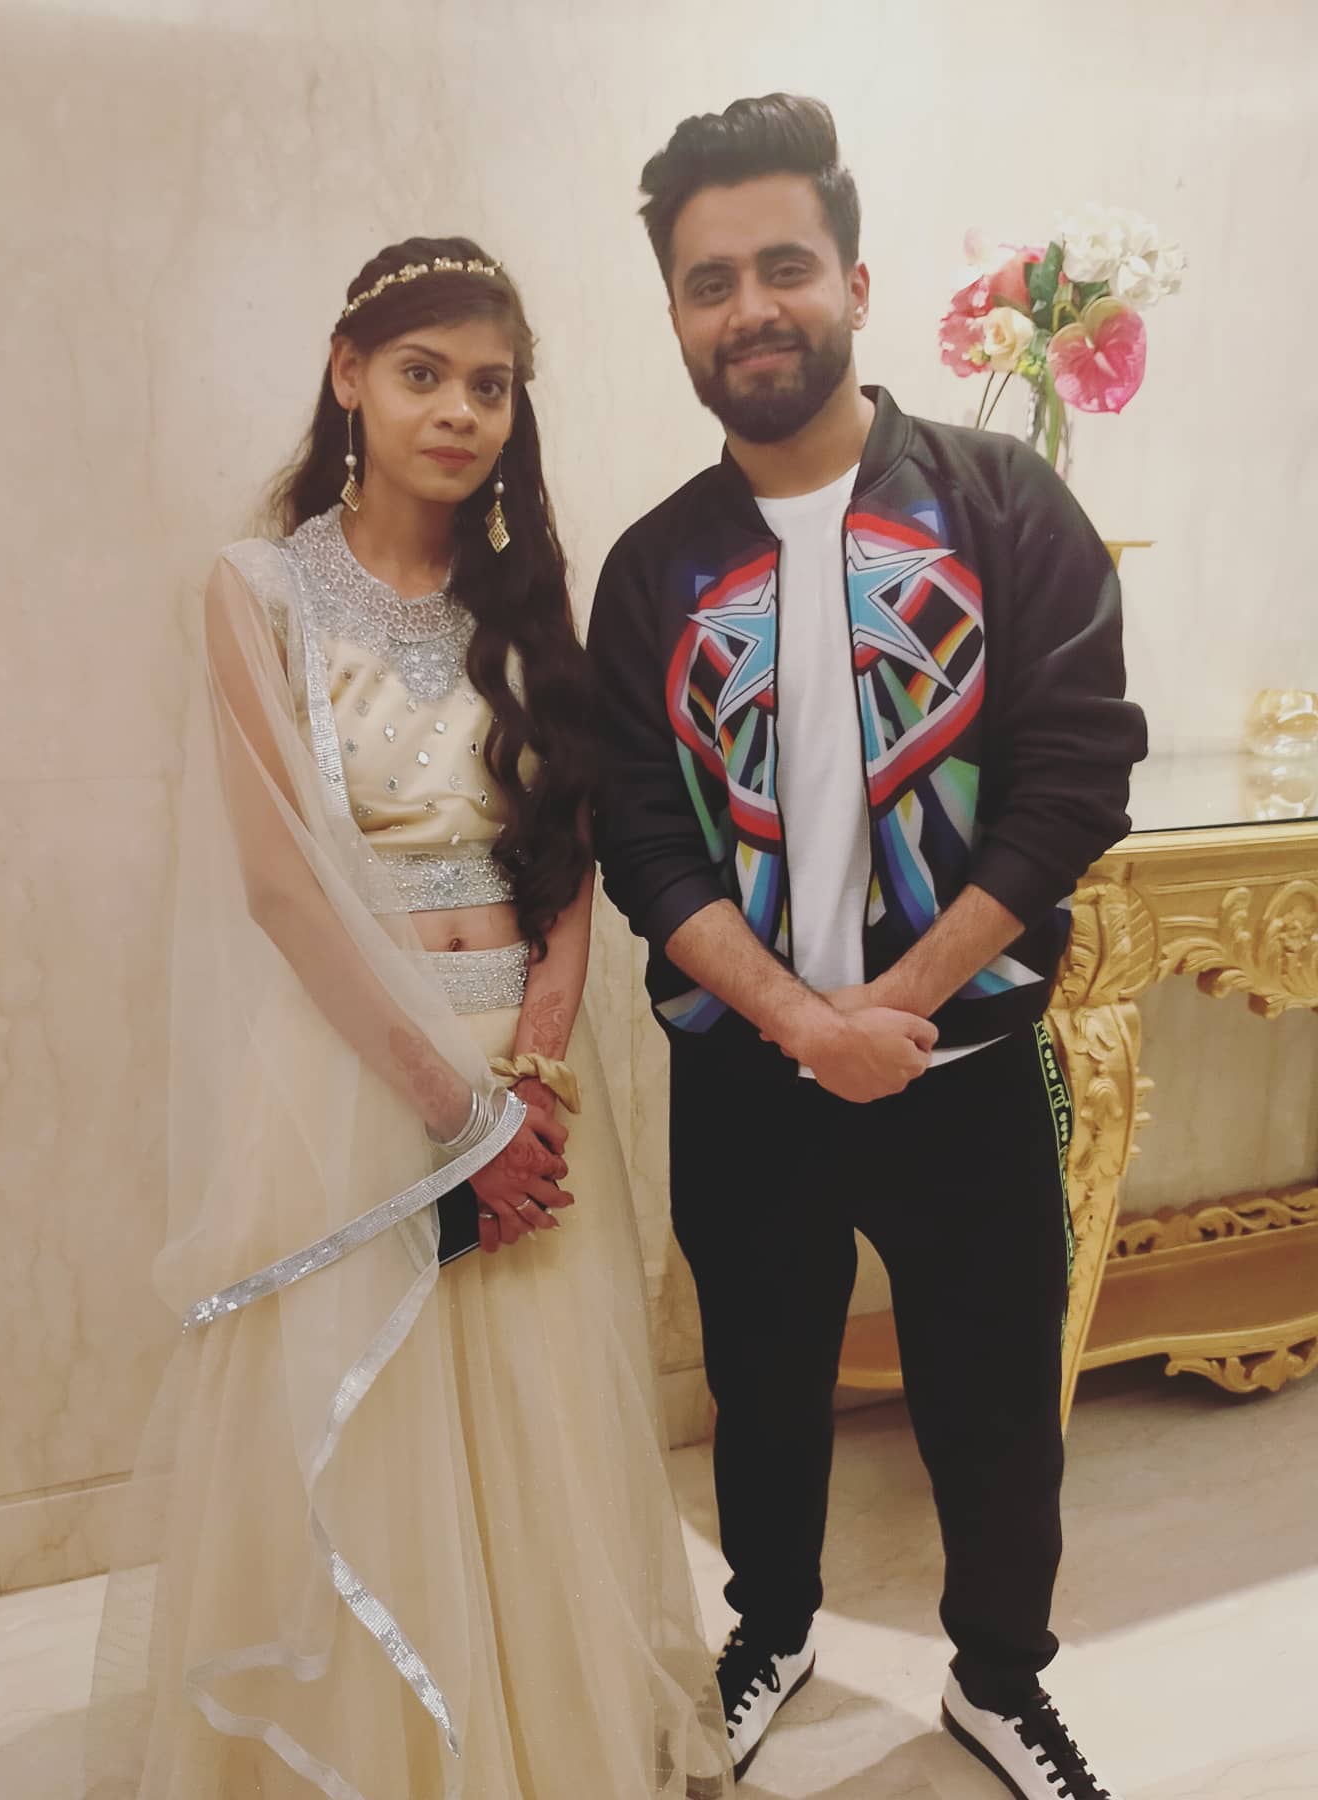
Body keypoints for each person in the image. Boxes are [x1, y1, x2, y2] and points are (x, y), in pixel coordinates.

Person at [83, 237, 730, 1799]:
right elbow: (281, 887)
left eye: (489, 386)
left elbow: (570, 844)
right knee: (369, 1433)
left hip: (527, 1073)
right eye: (423, 374)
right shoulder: (259, 591)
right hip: (359, 1077)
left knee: (533, 1429)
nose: (458, 413)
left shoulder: (524, 594)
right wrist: (460, 1118)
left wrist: (537, 1065)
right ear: (348, 375)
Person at [589, 97, 1147, 1798]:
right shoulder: (653, 567)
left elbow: (1076, 779)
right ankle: (771, 1629)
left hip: (959, 1061)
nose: (751, 307)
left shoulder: (1007, 504)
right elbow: (641, 835)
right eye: (709, 282)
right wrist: (796, 1023)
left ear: (855, 282)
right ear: (676, 315)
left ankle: (999, 1680)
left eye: (784, 266)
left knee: (995, 1394)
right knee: (758, 1381)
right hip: (742, 1073)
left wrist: (889, 1010)